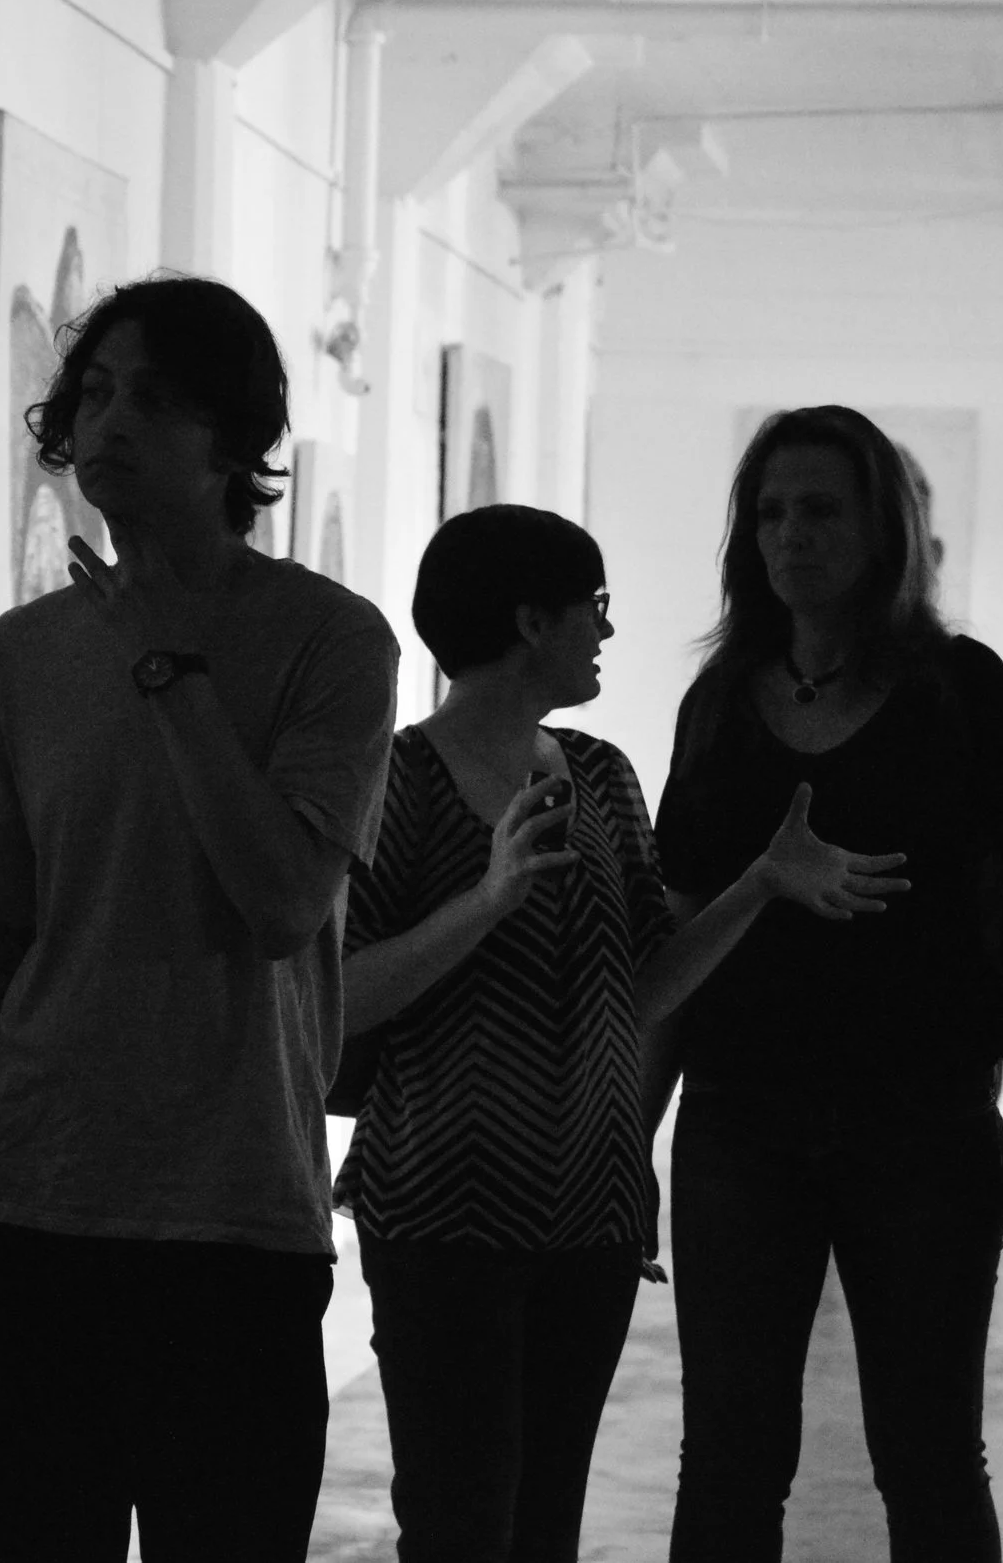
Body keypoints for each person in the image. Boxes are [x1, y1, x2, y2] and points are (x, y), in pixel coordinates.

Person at [0, 275, 401, 1559]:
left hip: (234, 1218)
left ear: (233, 440)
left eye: (152, 400)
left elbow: (282, 902)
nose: (106, 422)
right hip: (33, 1206)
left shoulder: (330, 642)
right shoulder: (28, 652)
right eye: (95, 392)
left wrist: (165, 665)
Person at [335, 504, 909, 1563]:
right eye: (591, 606)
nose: (606, 630)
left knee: (545, 1523)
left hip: (588, 1213)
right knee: (458, 1523)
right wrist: (488, 900)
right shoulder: (397, 779)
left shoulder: (599, 775)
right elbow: (335, 999)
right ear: (529, 620)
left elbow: (638, 992)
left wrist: (759, 885)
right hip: (440, 1211)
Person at [654, 405, 1003, 1562]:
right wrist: (626, 1133)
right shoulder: (718, 701)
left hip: (922, 1124)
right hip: (738, 1125)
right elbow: (678, 937)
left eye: (819, 509)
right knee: (728, 1457)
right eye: (768, 512)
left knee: (929, 1455)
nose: (789, 534)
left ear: (880, 529)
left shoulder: (958, 688)